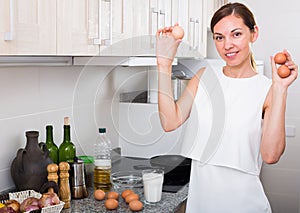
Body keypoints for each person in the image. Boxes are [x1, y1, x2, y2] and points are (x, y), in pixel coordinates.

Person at [155, 2, 298, 213]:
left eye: (236, 34)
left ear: (253, 33)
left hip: (245, 205)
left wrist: (280, 90)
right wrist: (163, 64)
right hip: (200, 205)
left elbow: (271, 155)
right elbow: (169, 121)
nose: (227, 45)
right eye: (219, 37)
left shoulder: (268, 89)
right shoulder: (204, 77)